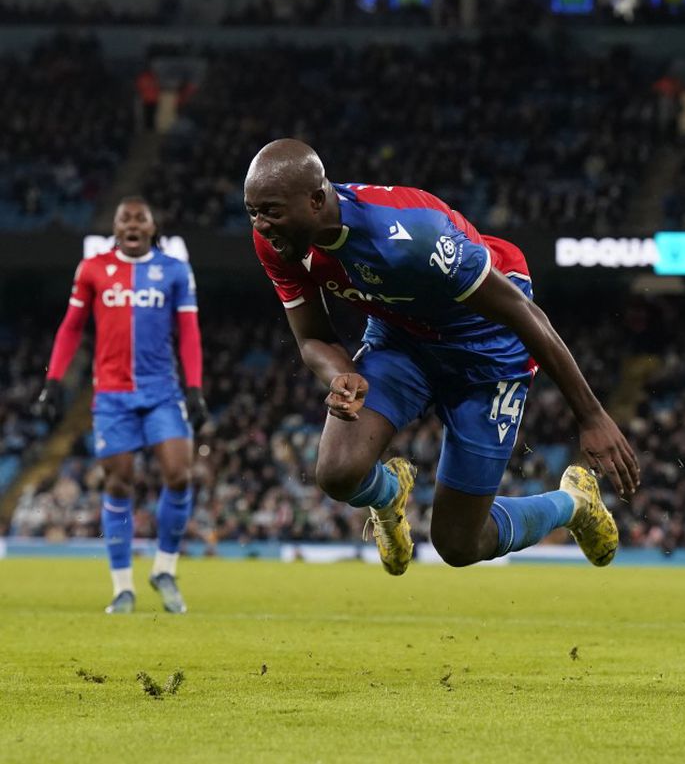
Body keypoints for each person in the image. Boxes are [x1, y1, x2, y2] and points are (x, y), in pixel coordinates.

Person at [243, 139, 638, 576]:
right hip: (402, 335)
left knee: (459, 544)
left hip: (487, 344)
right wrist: (339, 375)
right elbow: (313, 337)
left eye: (271, 212)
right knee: (337, 472)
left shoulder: (409, 237)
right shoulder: (277, 241)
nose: (260, 225)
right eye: (252, 212)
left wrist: (590, 415)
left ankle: (574, 503)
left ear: (316, 200)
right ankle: (389, 495)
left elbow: (523, 314)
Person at [34, 196, 207, 614]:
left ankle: (164, 569)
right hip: (112, 395)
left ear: (151, 227)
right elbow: (71, 327)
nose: (131, 223)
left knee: (179, 474)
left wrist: (195, 388)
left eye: (139, 218)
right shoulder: (92, 269)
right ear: (115, 228)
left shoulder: (174, 270)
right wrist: (53, 381)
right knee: (118, 483)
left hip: (162, 391)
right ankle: (122, 588)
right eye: (124, 218)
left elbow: (189, 333)